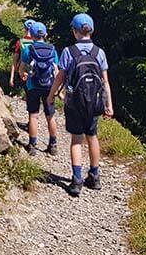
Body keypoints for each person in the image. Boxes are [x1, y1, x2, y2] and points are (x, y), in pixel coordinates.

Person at [47, 13, 114, 197]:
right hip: (94, 102)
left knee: (76, 139)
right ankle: (94, 176)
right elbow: (105, 81)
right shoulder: (99, 52)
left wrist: (51, 96)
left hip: (74, 102)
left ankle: (77, 180)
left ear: (75, 32)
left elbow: (60, 77)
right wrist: (109, 105)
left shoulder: (69, 52)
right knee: (92, 136)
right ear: (91, 31)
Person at [19, 22, 59, 156]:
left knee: (33, 115)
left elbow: (22, 69)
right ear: (45, 34)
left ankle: (32, 145)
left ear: (32, 35)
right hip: (49, 87)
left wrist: (24, 75)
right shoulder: (53, 49)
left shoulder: (28, 49)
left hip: (33, 86)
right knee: (50, 116)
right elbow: (57, 70)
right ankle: (53, 145)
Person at [9, 19, 36, 88]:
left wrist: (11, 78)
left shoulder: (20, 42)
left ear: (25, 29)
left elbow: (14, 62)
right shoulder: (38, 43)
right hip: (37, 73)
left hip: (23, 73)